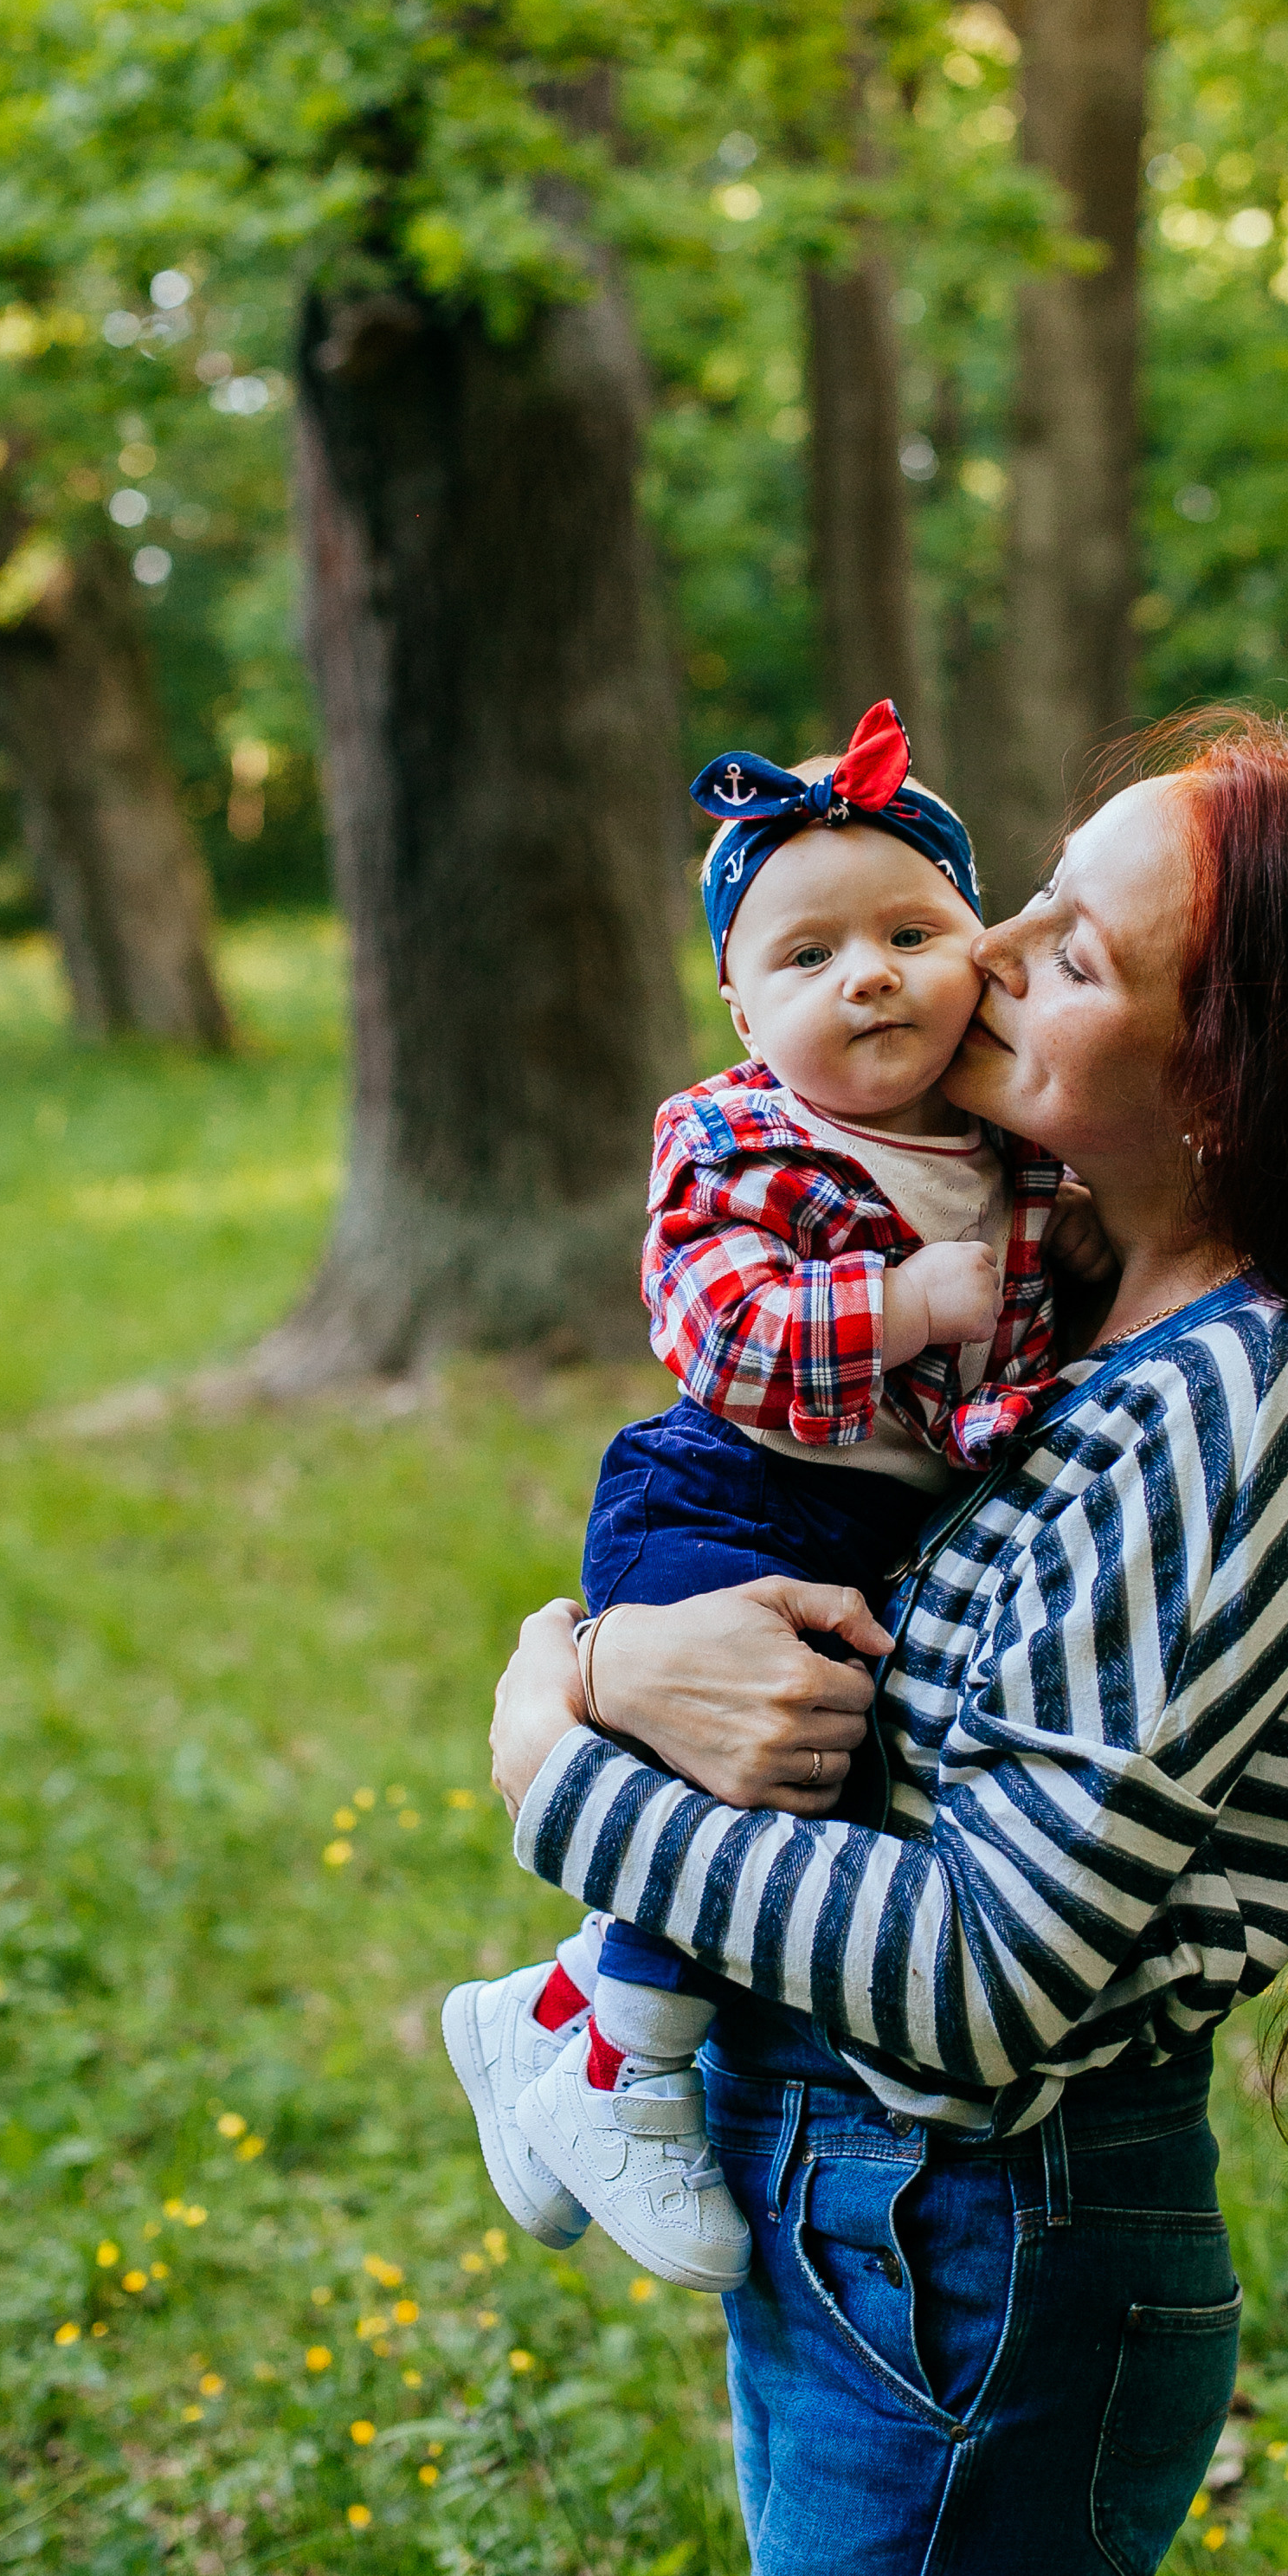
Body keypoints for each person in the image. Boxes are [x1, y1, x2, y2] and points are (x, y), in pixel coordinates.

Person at [484, 715, 1288, 2576]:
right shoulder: (1083, 1316)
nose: (980, 957)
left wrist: (556, 1768)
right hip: (882, 2220)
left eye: (1069, 951)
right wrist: (604, 1655)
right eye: (1013, 897)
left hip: (975, 2234)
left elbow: (983, 1978)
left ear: (1234, 1081)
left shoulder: (1231, 1409)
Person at [443, 700, 1102, 2292]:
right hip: (724, 1493)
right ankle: (626, 2071)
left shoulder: (1005, 1156)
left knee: (823, 1756)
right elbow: (718, 1329)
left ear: (982, 959)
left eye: (910, 932)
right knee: (746, 1769)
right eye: (806, 957)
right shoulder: (739, 1140)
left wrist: (1060, 1273)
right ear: (740, 1008)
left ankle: (553, 2010)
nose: (867, 972)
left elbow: (1022, 1343)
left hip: (872, 1518)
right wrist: (906, 1310)